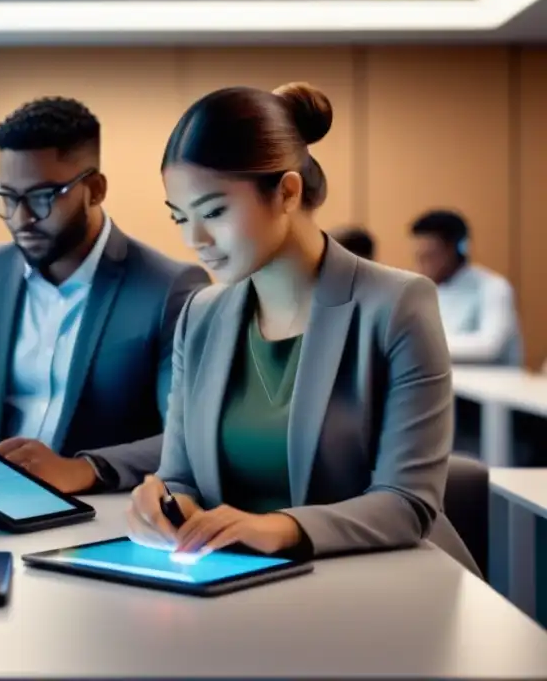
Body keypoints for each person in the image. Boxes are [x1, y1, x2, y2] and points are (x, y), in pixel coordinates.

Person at [125, 83, 475, 572]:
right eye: (180, 218)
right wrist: (166, 503)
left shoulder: (397, 304)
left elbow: (407, 501)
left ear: (287, 192)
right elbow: (181, 475)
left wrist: (280, 527)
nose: (194, 239)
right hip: (238, 581)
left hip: (385, 586)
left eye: (214, 212)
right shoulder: (200, 314)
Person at [0, 97, 208, 493]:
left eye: (44, 197)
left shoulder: (170, 288)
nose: (22, 217)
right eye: (8, 197)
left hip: (101, 511)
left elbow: (186, 440)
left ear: (95, 189)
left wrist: (81, 469)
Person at [409, 210, 522, 367]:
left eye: (429, 256)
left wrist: (420, 346)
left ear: (454, 250)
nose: (421, 266)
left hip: (489, 387)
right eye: (419, 257)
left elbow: (490, 347)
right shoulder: (425, 291)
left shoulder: (493, 287)